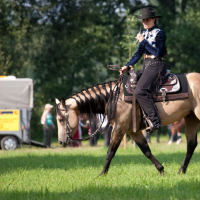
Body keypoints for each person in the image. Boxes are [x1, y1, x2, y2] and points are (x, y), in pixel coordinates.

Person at [119, 7, 167, 133]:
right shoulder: (144, 34)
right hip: (146, 65)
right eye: (143, 20)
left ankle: (155, 122)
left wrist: (143, 41)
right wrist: (127, 66)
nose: (144, 22)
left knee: (140, 91)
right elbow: (138, 53)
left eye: (147, 19)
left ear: (154, 19)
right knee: (129, 86)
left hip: (156, 64)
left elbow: (159, 52)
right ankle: (139, 118)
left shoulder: (159, 33)